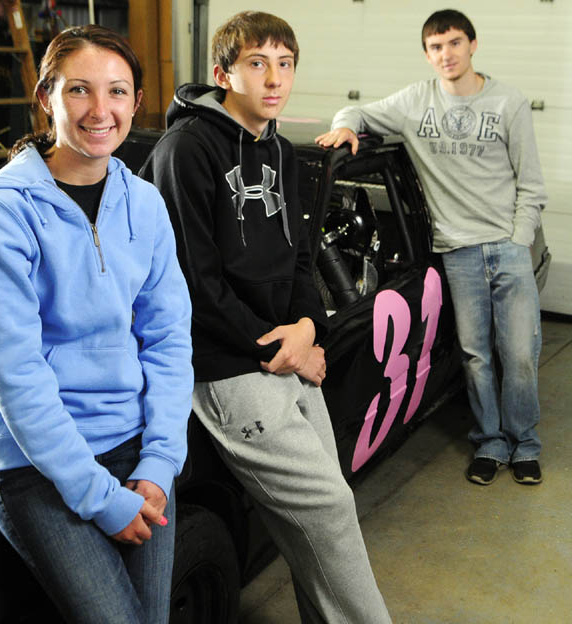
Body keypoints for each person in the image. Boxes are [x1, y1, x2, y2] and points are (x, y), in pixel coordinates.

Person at [141, 11, 390, 623]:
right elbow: (192, 282)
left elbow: (301, 256)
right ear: (225, 73)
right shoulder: (187, 149)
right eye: (257, 64)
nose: (274, 78)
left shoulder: (278, 146)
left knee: (324, 520)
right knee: (328, 509)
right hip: (229, 367)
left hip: (289, 354)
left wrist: (309, 328)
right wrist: (276, 347)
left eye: (285, 63)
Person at [0, 25, 193, 623]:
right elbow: (18, 374)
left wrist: (161, 462)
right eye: (79, 90)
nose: (100, 111)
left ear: (135, 101)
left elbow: (167, 337)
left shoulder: (145, 203)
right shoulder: (2, 212)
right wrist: (100, 498)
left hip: (134, 449)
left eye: (118, 92)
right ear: (46, 96)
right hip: (35, 466)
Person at [316, 9, 547, 487]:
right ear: (427, 54)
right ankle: (490, 443)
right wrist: (344, 126)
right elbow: (357, 112)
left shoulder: (509, 102)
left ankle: (524, 444)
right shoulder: (414, 101)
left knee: (520, 353)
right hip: (457, 253)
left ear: (473, 45)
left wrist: (517, 238)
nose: (447, 54)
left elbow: (532, 185)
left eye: (455, 43)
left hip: (506, 247)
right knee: (475, 354)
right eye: (436, 47)